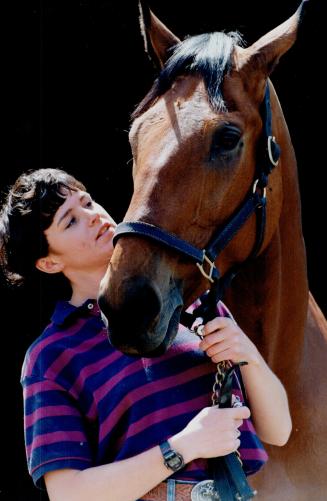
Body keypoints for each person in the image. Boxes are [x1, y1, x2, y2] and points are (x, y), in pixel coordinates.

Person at [0, 168, 292, 501]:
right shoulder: (52, 355)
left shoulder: (189, 301)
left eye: (88, 203)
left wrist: (247, 354)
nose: (93, 217)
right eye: (71, 221)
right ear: (49, 263)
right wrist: (183, 446)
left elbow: (279, 430)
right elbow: (68, 493)